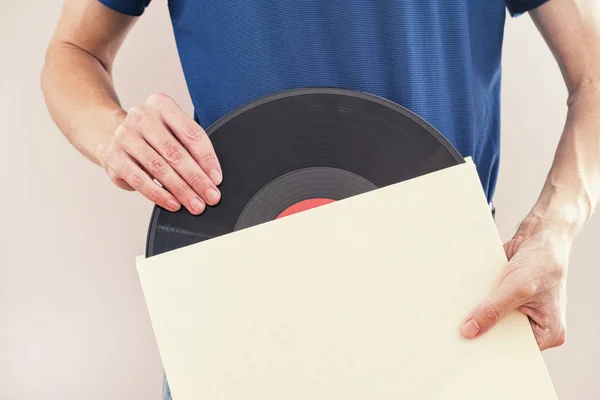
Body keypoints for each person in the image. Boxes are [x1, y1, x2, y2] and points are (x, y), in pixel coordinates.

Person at [42, 0, 599, 397]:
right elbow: (73, 51)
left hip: (448, 309)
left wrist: (557, 223)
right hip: (239, 301)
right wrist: (112, 132)